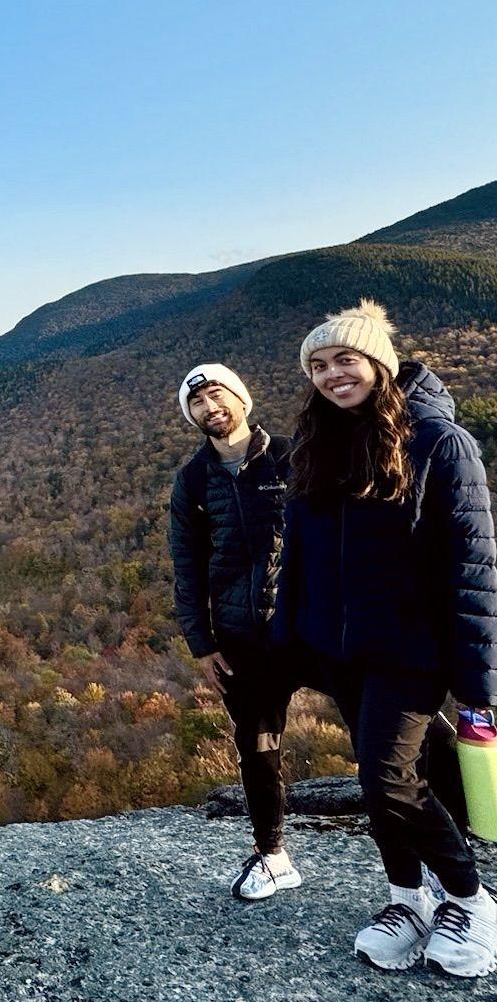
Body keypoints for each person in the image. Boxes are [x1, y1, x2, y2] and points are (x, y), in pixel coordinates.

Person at [277, 300, 497, 977]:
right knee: (381, 784)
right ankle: (408, 900)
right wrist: (293, 639)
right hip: (344, 650)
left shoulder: (439, 441)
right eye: (318, 365)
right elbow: (302, 558)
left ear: (380, 361)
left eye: (346, 359)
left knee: (389, 776)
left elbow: (473, 566)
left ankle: (471, 899)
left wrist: (479, 680)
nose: (332, 375)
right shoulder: (318, 444)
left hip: (412, 647)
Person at [170, 363, 296, 899]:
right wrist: (202, 643)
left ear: (242, 397)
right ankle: (272, 855)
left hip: (309, 624)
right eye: (197, 402)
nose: (209, 407)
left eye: (217, 394)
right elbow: (187, 565)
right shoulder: (194, 479)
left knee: (380, 730)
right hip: (241, 636)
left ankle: (427, 859)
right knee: (258, 745)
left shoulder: (291, 456)